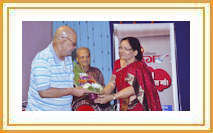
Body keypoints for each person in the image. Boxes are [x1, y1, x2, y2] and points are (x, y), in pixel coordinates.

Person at [25, 25, 91, 111]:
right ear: (63, 41)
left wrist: (90, 85)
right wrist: (72, 91)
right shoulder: (43, 59)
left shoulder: (67, 58)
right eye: (73, 44)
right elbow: (44, 92)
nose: (75, 48)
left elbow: (69, 80)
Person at [94, 37, 162, 111]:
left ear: (135, 52)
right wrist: (103, 92)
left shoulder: (138, 66)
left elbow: (134, 88)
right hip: (124, 106)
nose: (121, 51)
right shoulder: (117, 64)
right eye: (120, 48)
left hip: (138, 107)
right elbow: (112, 83)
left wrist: (112, 97)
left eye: (126, 49)